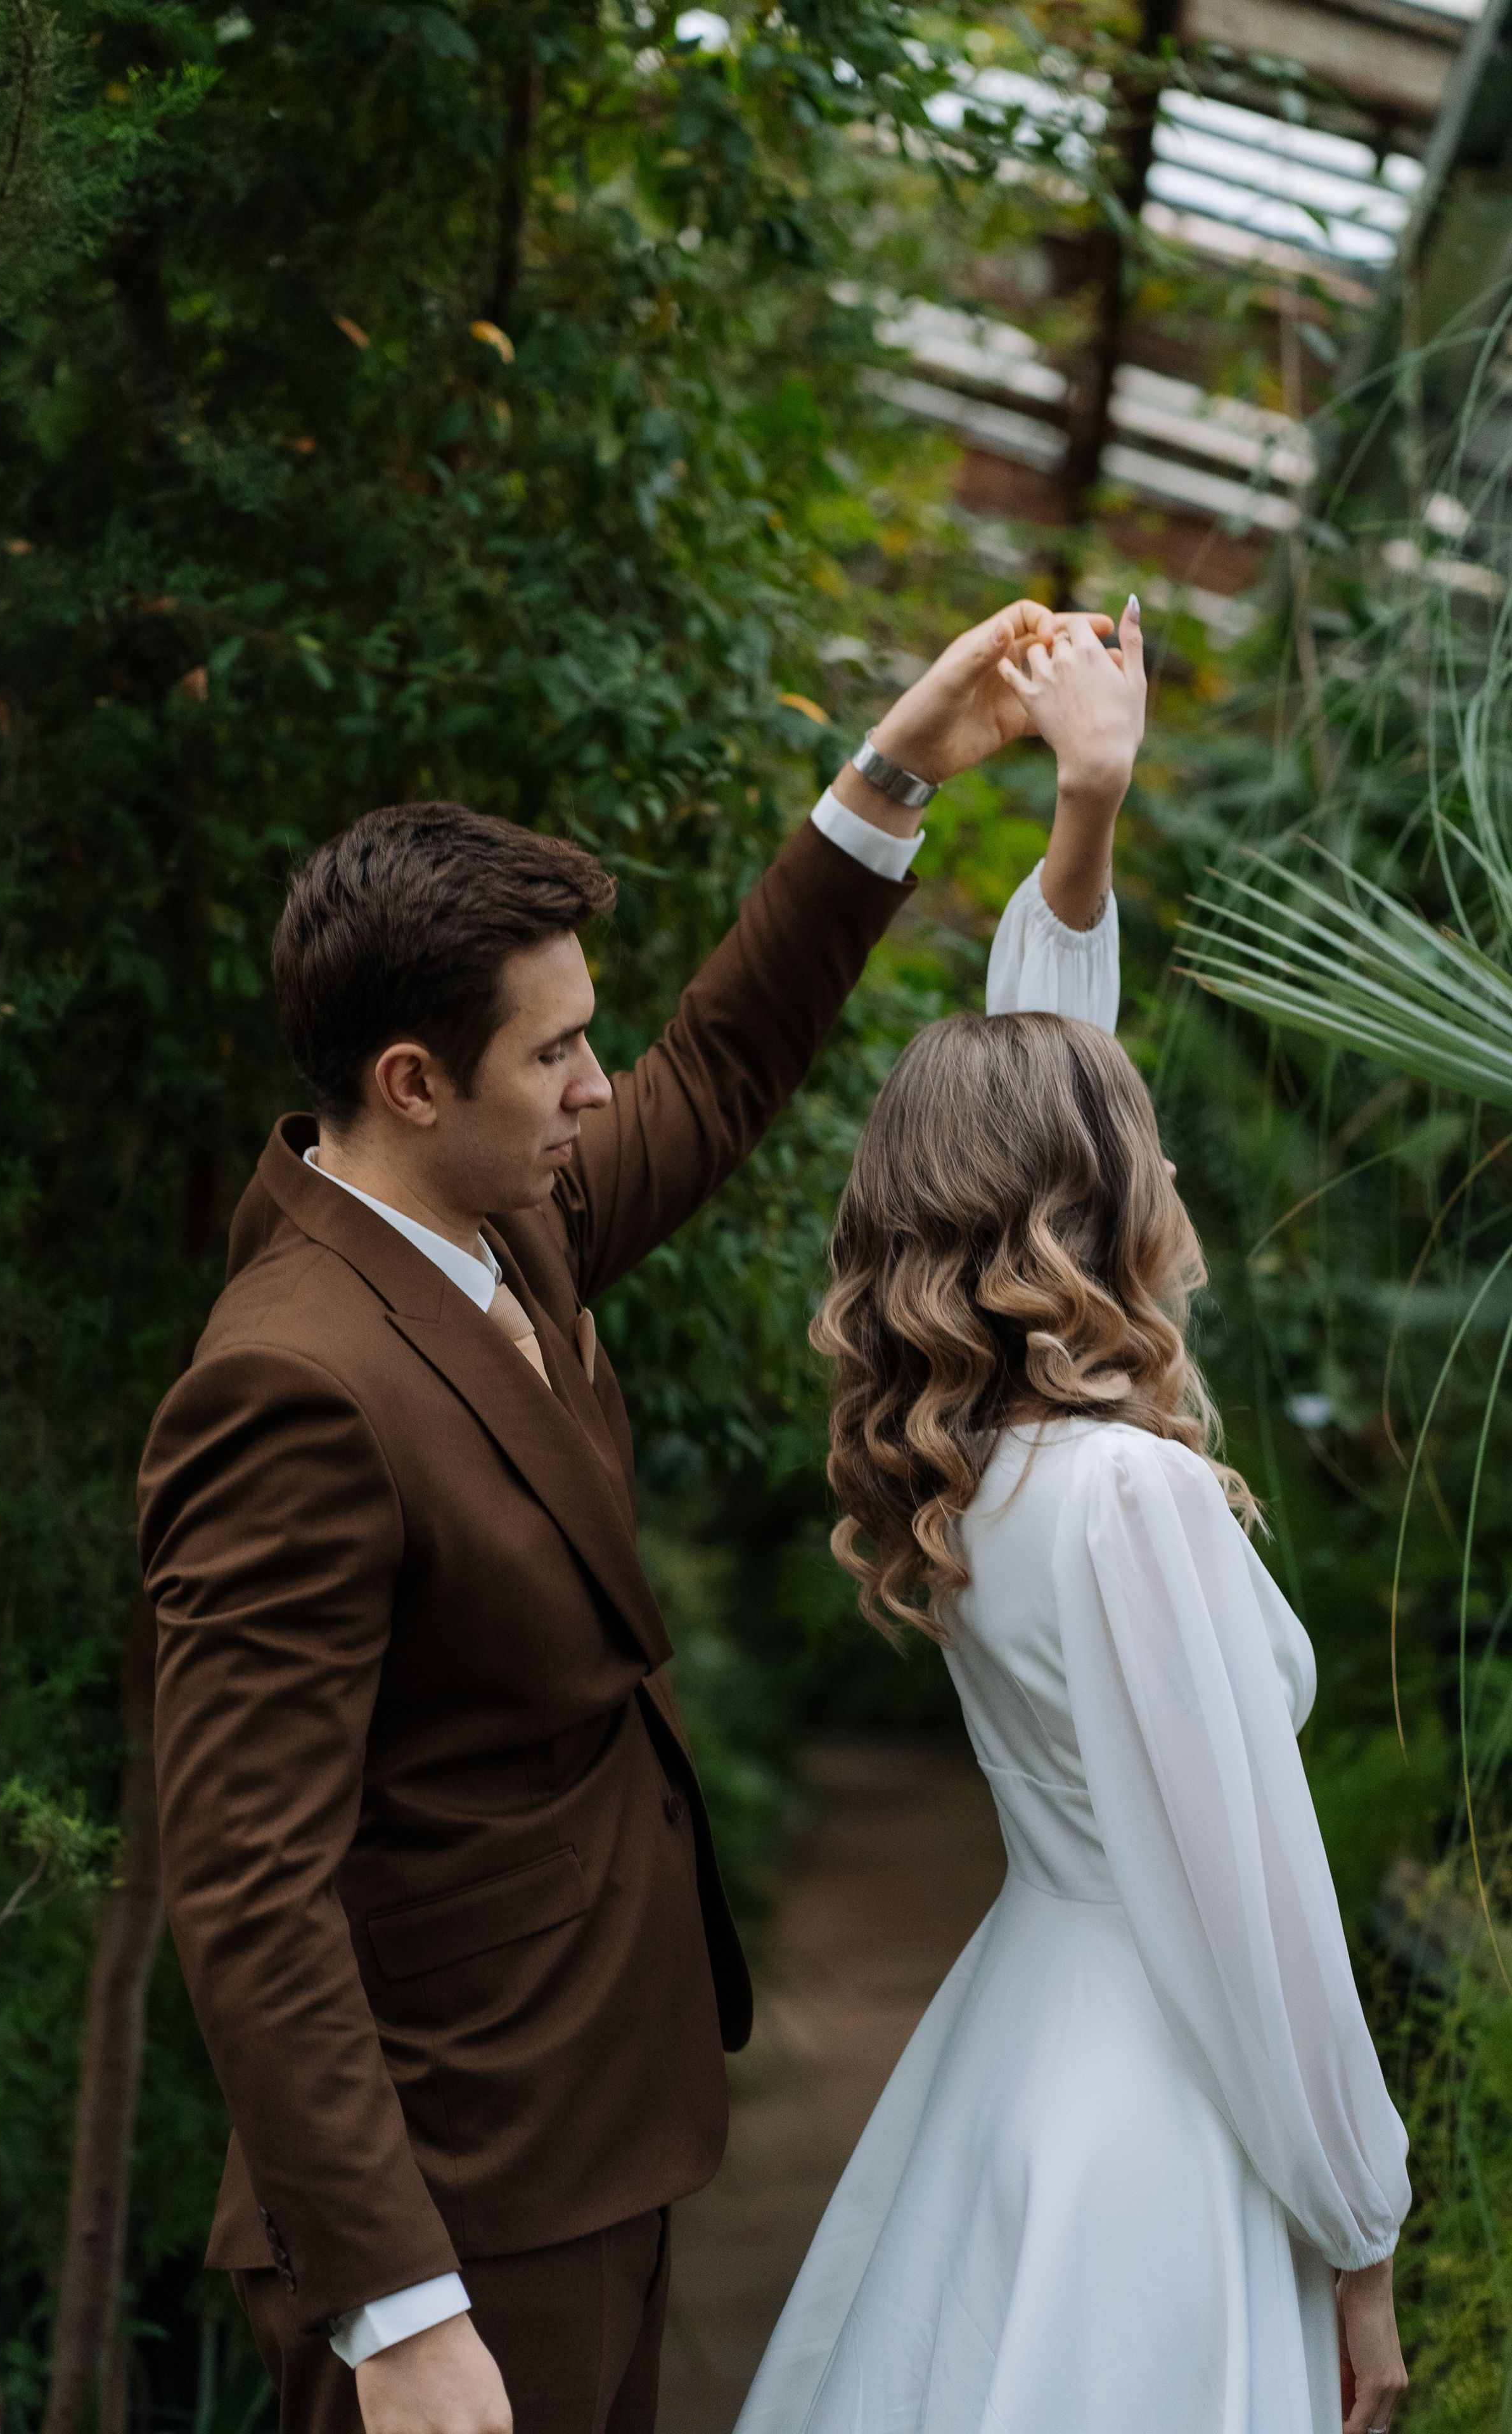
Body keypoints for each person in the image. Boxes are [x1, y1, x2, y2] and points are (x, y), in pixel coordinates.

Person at [136, 597, 1139, 2434]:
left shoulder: (494, 1218)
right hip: (458, 2199)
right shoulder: (289, 1385)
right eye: (556, 1059)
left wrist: (894, 770)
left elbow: (727, 1064)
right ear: (410, 1083)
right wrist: (401, 2305)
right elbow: (247, 1886)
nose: (602, 1089)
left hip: (590, 2134)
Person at [731, 637, 1411, 2434]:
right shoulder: (1136, 1497)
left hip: (1030, 2042)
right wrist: (1366, 2234)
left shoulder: (996, 1463)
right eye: (1146, 1148)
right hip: (1161, 2116)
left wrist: (1086, 805)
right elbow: (1261, 1912)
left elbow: (1033, 1085)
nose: (1173, 1173)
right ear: (1096, 1208)